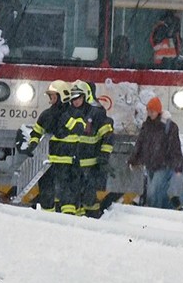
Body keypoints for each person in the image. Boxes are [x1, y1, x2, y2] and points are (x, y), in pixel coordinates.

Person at [16, 80, 71, 211]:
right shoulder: (46, 114)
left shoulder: (72, 115)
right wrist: (32, 145)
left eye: (53, 95)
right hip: (47, 162)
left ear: (62, 96)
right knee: (47, 194)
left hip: (67, 162)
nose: (50, 98)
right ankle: (47, 217)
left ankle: (64, 217)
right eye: (50, 95)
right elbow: (37, 132)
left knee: (66, 195)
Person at [51, 82, 105, 216]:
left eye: (78, 97)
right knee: (72, 190)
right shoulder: (70, 112)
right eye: (73, 98)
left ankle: (77, 215)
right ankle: (73, 215)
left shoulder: (94, 112)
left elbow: (100, 134)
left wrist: (103, 155)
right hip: (73, 159)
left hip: (81, 159)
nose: (76, 101)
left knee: (79, 191)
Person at [128, 96, 183, 209]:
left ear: (158, 111)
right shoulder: (147, 126)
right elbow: (140, 143)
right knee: (159, 193)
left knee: (153, 192)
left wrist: (178, 166)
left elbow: (175, 147)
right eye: (148, 111)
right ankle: (166, 212)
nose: (150, 113)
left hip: (164, 165)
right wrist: (133, 159)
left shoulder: (169, 127)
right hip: (150, 165)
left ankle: (154, 213)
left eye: (152, 111)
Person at [75, 80, 114, 217]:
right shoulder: (75, 111)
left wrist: (103, 157)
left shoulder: (96, 112)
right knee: (78, 196)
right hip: (77, 163)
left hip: (90, 164)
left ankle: (91, 220)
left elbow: (107, 136)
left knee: (88, 197)